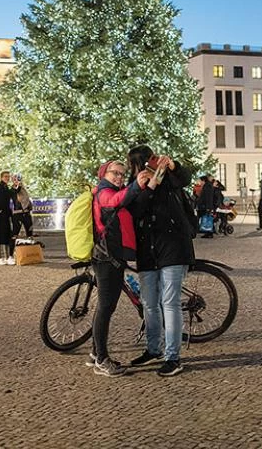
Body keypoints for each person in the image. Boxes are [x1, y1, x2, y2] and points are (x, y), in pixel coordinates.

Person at [127, 145, 193, 377]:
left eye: (152, 159)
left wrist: (173, 166)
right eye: (143, 162)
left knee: (169, 302)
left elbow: (184, 179)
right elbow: (134, 212)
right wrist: (143, 187)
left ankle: (173, 357)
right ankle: (153, 349)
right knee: (149, 303)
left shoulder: (168, 179)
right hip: (147, 250)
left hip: (173, 247)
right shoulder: (134, 185)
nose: (150, 164)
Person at [89, 160, 148, 377]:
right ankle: (102, 360)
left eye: (122, 174)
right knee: (105, 308)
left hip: (113, 258)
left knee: (105, 307)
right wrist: (135, 186)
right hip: (107, 259)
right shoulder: (104, 192)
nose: (119, 177)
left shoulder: (115, 190)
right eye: (116, 173)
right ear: (104, 173)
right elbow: (114, 201)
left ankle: (96, 353)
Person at [0, 172, 15, 265]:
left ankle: (8, 257)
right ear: (1, 178)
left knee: (6, 235)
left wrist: (16, 186)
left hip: (5, 215)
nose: (7, 178)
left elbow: (11, 194)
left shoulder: (6, 187)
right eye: (5, 176)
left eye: (8, 177)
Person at [11, 174, 34, 240]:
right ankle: (12, 248)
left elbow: (27, 199)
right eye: (15, 180)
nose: (17, 181)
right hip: (18, 213)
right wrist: (18, 185)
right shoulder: (13, 189)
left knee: (29, 231)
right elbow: (16, 190)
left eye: (18, 179)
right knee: (15, 232)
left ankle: (30, 246)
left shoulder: (24, 189)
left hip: (26, 213)